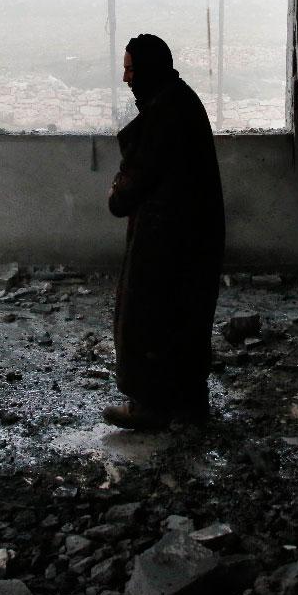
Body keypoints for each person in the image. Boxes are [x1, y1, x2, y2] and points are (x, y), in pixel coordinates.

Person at [104, 33, 225, 429]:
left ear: (147, 69)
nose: (126, 79)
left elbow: (134, 183)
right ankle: (189, 405)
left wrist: (117, 192)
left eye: (130, 69)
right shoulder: (178, 101)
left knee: (146, 317)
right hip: (192, 236)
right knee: (185, 318)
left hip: (167, 239)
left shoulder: (165, 113)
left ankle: (150, 406)